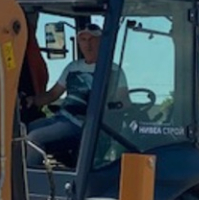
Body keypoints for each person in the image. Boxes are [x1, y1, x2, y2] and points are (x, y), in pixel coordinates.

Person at [23, 23, 126, 165]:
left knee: (34, 137)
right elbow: (53, 94)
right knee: (22, 131)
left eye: (92, 40)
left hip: (82, 123)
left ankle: (30, 182)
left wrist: (107, 110)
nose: (87, 45)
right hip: (62, 118)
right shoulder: (73, 67)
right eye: (83, 40)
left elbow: (123, 101)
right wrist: (32, 100)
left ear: (102, 42)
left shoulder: (113, 70)